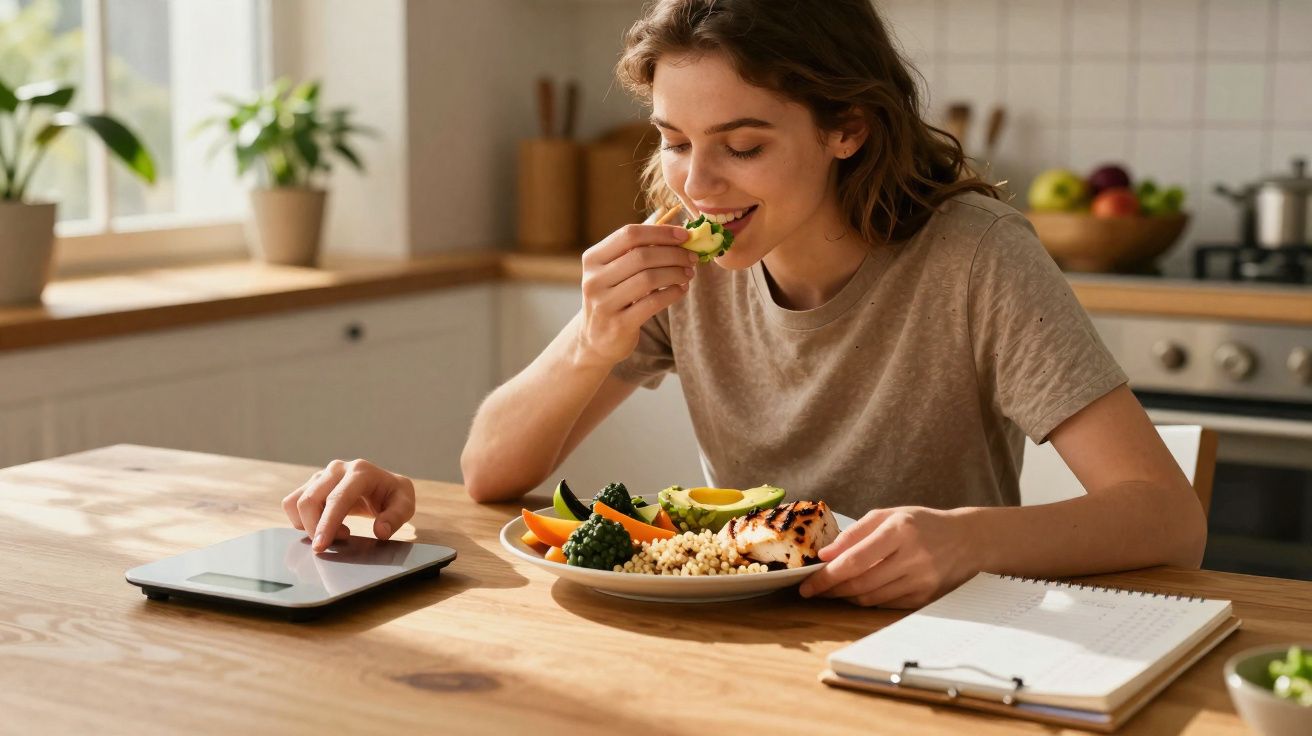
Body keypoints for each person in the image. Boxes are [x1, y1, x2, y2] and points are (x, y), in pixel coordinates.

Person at [282, 0, 1207, 608]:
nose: (699, 183)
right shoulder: (680, 250)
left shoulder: (974, 257)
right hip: (731, 640)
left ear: (849, 127)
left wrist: (967, 542)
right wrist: (593, 342)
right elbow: (486, 472)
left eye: (743, 145)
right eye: (675, 141)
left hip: (934, 646)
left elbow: (1165, 515)